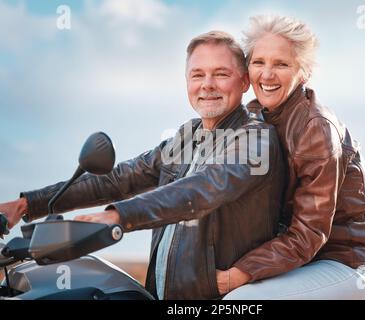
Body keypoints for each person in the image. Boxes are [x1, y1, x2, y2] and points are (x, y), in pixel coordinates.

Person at [0, 31, 285, 300]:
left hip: (216, 296)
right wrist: (27, 204)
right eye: (197, 75)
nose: (207, 84)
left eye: (221, 74)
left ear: (245, 81)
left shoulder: (256, 138)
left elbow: (204, 188)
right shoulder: (189, 137)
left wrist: (119, 217)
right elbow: (120, 179)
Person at [217, 15, 365, 300]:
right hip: (301, 262)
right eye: (259, 62)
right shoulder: (253, 117)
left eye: (281, 64)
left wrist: (238, 275)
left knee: (241, 301)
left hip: (348, 263)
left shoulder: (315, 128)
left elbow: (308, 233)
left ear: (304, 72)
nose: (267, 75)